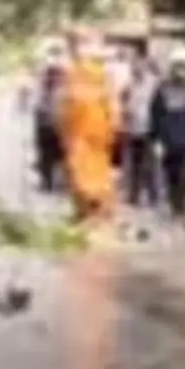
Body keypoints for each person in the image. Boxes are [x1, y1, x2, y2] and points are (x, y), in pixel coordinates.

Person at [60, 28, 120, 225]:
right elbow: (65, 108)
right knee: (87, 178)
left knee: (87, 179)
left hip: (90, 136)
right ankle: (91, 215)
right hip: (86, 137)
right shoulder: (75, 74)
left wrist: (112, 129)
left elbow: (112, 105)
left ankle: (92, 215)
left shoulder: (91, 74)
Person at [149, 47, 185, 219]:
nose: (181, 70)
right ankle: (175, 206)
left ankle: (183, 205)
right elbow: (155, 115)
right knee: (171, 175)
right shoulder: (162, 89)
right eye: (178, 65)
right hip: (168, 141)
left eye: (184, 66)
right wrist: (155, 140)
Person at [119, 45, 161, 207]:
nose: (135, 69)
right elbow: (122, 101)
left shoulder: (154, 84)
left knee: (150, 165)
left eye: (138, 66)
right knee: (134, 164)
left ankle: (153, 196)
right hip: (132, 129)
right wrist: (125, 114)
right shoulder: (129, 85)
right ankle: (133, 195)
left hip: (149, 129)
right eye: (133, 66)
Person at [32, 45, 67, 195]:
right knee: (46, 154)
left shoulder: (63, 88)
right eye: (51, 74)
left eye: (56, 74)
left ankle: (56, 182)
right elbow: (37, 106)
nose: (53, 77)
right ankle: (46, 182)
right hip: (45, 124)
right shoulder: (42, 87)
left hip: (59, 125)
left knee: (59, 155)